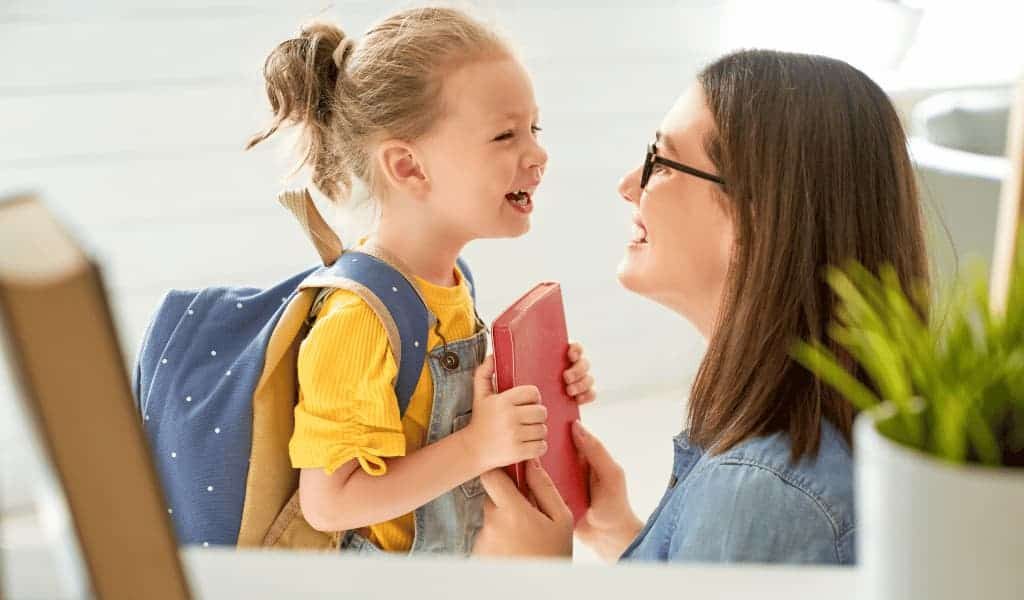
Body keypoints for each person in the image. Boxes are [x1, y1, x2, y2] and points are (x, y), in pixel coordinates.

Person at [472, 49, 929, 565]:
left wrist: (536, 573)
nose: (629, 186)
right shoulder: (785, 457)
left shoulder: (760, 496)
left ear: (757, 217)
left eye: (661, 163)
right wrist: (616, 533)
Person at [246, 7, 596, 555]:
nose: (538, 154)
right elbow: (330, 503)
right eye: (505, 135)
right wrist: (478, 445)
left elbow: (433, 420)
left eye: (534, 128)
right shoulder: (357, 319)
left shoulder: (452, 282)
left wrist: (538, 389)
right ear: (408, 166)